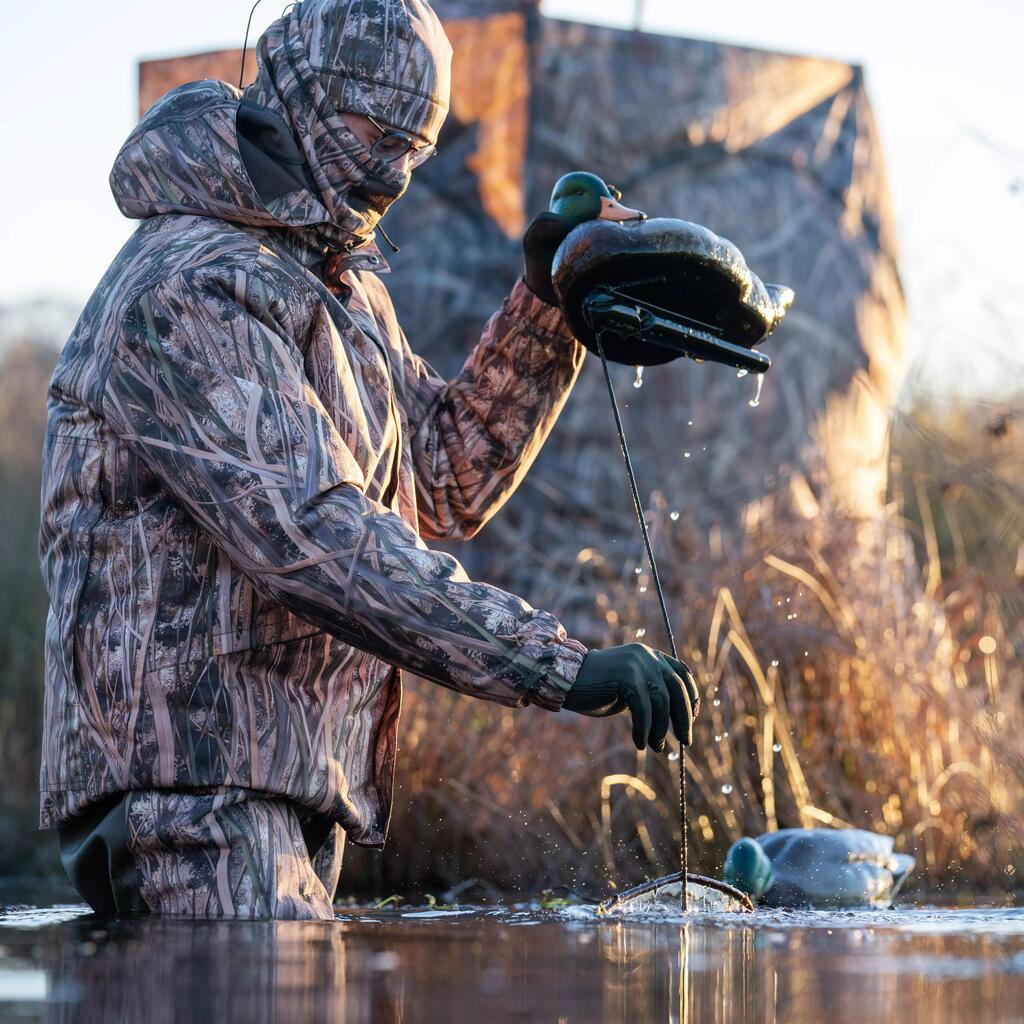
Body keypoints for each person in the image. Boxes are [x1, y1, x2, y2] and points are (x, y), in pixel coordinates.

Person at [39, 0, 699, 920]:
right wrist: (552, 664)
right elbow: (312, 533)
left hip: (289, 787)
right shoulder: (189, 287)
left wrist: (551, 303)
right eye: (375, 132)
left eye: (418, 148)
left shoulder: (342, 293)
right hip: (185, 801)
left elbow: (436, 482)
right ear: (302, 98)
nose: (395, 171)